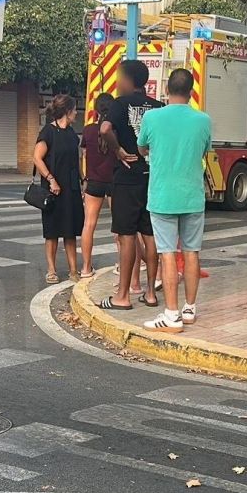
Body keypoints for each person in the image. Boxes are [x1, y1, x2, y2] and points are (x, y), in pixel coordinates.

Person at [137, 68, 212, 332]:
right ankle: (189, 309)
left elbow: (142, 146)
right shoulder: (203, 120)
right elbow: (204, 151)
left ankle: (171, 315)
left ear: (167, 90)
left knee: (167, 253)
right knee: (191, 252)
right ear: (191, 92)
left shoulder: (151, 117)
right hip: (192, 196)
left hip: (162, 196)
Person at [98, 60, 164, 310]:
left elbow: (104, 129)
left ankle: (122, 296)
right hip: (152, 177)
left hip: (126, 179)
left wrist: (119, 151)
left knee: (126, 236)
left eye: (119, 77)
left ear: (127, 80)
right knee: (150, 235)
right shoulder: (158, 107)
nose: (117, 82)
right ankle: (150, 293)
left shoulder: (119, 104)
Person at [32, 94, 84, 284]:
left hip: (71, 188)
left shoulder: (71, 133)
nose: (76, 113)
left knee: (70, 231)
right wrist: (51, 180)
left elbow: (76, 159)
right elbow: (37, 158)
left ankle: (73, 270)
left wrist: (82, 180)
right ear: (67, 111)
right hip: (53, 189)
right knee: (52, 231)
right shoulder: (48, 132)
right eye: (74, 109)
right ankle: (51, 270)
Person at [79, 92, 118, 278]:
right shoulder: (116, 131)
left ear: (95, 110)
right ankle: (121, 264)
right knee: (119, 225)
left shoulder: (87, 131)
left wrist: (84, 178)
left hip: (93, 182)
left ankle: (86, 268)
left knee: (89, 224)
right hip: (114, 182)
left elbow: (84, 155)